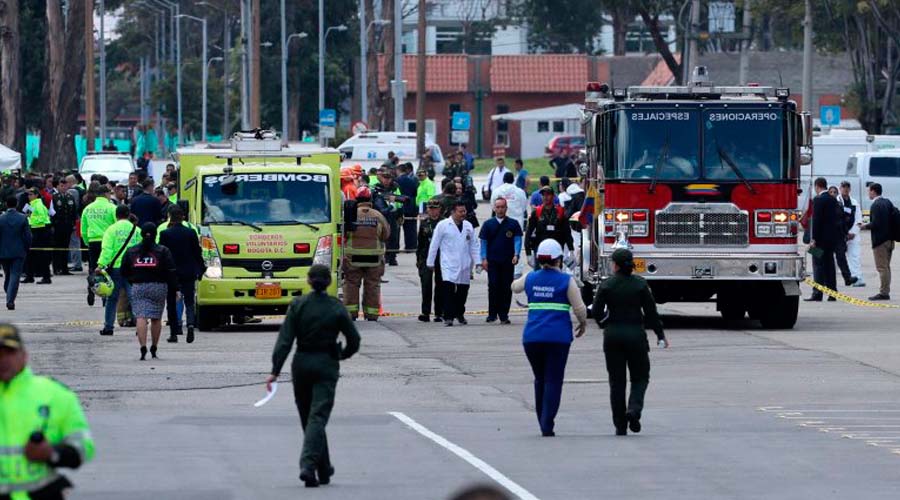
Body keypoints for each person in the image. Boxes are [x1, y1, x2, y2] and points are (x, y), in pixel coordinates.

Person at [265, 264, 360, 488]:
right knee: (317, 417)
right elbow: (354, 340)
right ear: (329, 282)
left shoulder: (298, 305)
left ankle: (324, 468)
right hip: (326, 364)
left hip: (302, 364)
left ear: (308, 281)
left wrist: (275, 371)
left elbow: (285, 340)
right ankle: (308, 465)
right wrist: (342, 355)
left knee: (309, 418)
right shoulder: (336, 308)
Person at [0, 324, 96, 499]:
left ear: (24, 356)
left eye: (10, 353)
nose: (3, 360)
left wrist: (52, 454)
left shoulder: (54, 395)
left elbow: (84, 448)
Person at [511, 239, 587, 436]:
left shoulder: (531, 277)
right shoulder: (565, 280)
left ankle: (541, 420)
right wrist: (583, 323)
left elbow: (514, 287)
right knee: (553, 380)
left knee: (540, 378)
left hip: (532, 338)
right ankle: (547, 423)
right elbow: (579, 308)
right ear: (558, 260)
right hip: (558, 339)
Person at [592, 248, 668, 436]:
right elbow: (651, 313)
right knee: (640, 377)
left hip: (612, 336)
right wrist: (660, 335)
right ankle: (634, 409)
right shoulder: (640, 284)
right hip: (636, 335)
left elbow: (596, 311)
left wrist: (604, 324)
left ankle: (620, 425)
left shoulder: (607, 285)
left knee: (617, 382)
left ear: (615, 265)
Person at [121, 223, 177, 360]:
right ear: (156, 234)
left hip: (138, 286)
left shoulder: (131, 251)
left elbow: (124, 271)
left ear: (141, 235)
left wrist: (132, 281)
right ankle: (154, 347)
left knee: (141, 316)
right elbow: (171, 271)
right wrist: (175, 288)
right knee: (156, 318)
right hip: (158, 286)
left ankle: (142, 346)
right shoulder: (163, 251)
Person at [426, 201, 480, 327]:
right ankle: (448, 317)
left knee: (463, 292)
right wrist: (430, 261)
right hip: (448, 263)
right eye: (460, 211)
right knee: (448, 291)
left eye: (464, 211)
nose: (463, 214)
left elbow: (474, 245)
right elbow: (434, 244)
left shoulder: (468, 226)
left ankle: (459, 313)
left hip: (465, 264)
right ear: (453, 212)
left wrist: (477, 262)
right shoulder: (443, 225)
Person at [342, 187, 390, 321]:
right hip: (374, 258)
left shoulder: (350, 215)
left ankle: (351, 313)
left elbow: (343, 233)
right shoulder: (377, 215)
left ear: (356, 199)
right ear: (370, 200)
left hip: (353, 257)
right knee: (372, 285)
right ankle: (372, 314)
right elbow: (386, 234)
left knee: (351, 284)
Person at [159, 206, 205, 344]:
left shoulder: (165, 234)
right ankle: (190, 324)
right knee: (189, 300)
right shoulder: (190, 233)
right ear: (183, 217)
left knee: (172, 302)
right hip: (188, 271)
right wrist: (201, 269)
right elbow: (197, 253)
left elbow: (162, 255)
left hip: (172, 273)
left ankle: (174, 331)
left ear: (170, 217)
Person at [96, 205, 140, 336]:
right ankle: (140, 326)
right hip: (132, 268)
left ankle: (108, 327)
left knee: (112, 299)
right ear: (128, 214)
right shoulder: (136, 230)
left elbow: (107, 250)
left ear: (116, 215)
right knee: (134, 297)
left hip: (115, 268)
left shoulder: (111, 230)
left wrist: (101, 265)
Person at [479, 198, 522, 324]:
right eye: (498, 207)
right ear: (494, 208)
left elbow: (517, 240)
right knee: (493, 286)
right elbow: (483, 243)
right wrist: (484, 258)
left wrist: (516, 254)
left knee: (506, 287)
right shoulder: (488, 224)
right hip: (492, 261)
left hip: (508, 261)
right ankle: (492, 314)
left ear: (506, 208)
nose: (500, 209)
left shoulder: (513, 224)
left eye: (502, 207)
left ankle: (504, 315)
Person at [806, 177, 843, 302]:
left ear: (817, 186)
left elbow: (816, 221)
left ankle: (817, 293)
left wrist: (813, 239)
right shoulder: (833, 200)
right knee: (829, 266)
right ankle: (832, 293)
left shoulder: (818, 200)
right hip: (831, 240)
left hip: (819, 240)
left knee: (817, 266)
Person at [80, 185, 117, 305]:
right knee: (105, 268)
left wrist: (86, 241)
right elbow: (116, 225)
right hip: (107, 241)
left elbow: (83, 229)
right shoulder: (112, 207)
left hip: (93, 241)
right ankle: (104, 295)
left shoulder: (88, 208)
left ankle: (91, 289)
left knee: (92, 267)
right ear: (106, 194)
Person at [860, 183, 895, 301]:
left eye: (869, 191)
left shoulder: (876, 205)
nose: (868, 193)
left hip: (880, 241)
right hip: (890, 239)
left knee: (882, 268)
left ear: (873, 191)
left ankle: (884, 293)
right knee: (886, 267)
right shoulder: (888, 202)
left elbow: (876, 224)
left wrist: (864, 226)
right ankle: (886, 290)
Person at [525, 186, 574, 268]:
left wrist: (571, 250)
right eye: (543, 195)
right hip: (540, 249)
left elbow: (567, 232)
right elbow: (529, 233)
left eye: (548, 194)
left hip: (556, 249)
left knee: (556, 275)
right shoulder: (536, 212)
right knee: (539, 275)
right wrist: (528, 253)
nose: (545, 197)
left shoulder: (560, 212)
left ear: (553, 196)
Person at [0, 197, 31, 310]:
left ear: (6, 204)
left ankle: (8, 291)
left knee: (8, 273)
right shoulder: (22, 218)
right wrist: (27, 247)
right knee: (14, 275)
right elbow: (28, 236)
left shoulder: (1, 218)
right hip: (18, 251)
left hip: (3, 252)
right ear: (16, 204)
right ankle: (10, 299)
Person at [417, 198, 445, 323]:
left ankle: (439, 313)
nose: (433, 211)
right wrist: (419, 260)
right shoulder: (424, 223)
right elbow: (420, 243)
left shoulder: (444, 223)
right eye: (430, 209)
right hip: (426, 256)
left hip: (441, 257)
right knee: (426, 285)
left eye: (435, 209)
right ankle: (425, 312)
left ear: (439, 210)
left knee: (440, 285)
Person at [837, 181, 865, 287]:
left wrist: (852, 233)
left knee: (854, 256)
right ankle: (829, 279)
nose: (845, 189)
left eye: (847, 187)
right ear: (840, 188)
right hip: (840, 234)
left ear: (850, 189)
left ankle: (857, 278)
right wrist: (844, 233)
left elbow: (858, 219)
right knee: (837, 257)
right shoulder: (837, 201)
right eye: (843, 187)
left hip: (853, 234)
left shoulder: (854, 203)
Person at [22, 188, 52, 284]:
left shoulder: (38, 205)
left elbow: (42, 219)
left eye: (31, 194)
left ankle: (46, 277)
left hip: (40, 231)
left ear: (36, 195)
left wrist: (30, 221)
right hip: (33, 231)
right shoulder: (31, 205)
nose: (29, 196)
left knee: (42, 255)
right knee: (30, 255)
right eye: (28, 194)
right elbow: (26, 217)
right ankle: (29, 276)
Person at [51, 177, 77, 276]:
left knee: (65, 247)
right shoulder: (54, 197)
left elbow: (73, 211)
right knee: (57, 247)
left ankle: (64, 268)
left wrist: (73, 224)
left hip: (67, 226)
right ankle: (57, 268)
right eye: (61, 186)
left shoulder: (70, 197)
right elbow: (51, 213)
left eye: (65, 186)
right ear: (57, 186)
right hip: (58, 226)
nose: (63, 188)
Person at [396, 162, 420, 251]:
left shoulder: (396, 181)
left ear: (399, 170)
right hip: (411, 206)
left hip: (400, 207)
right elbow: (415, 193)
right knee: (411, 229)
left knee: (397, 229)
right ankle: (411, 247)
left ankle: (395, 247)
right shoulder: (413, 180)